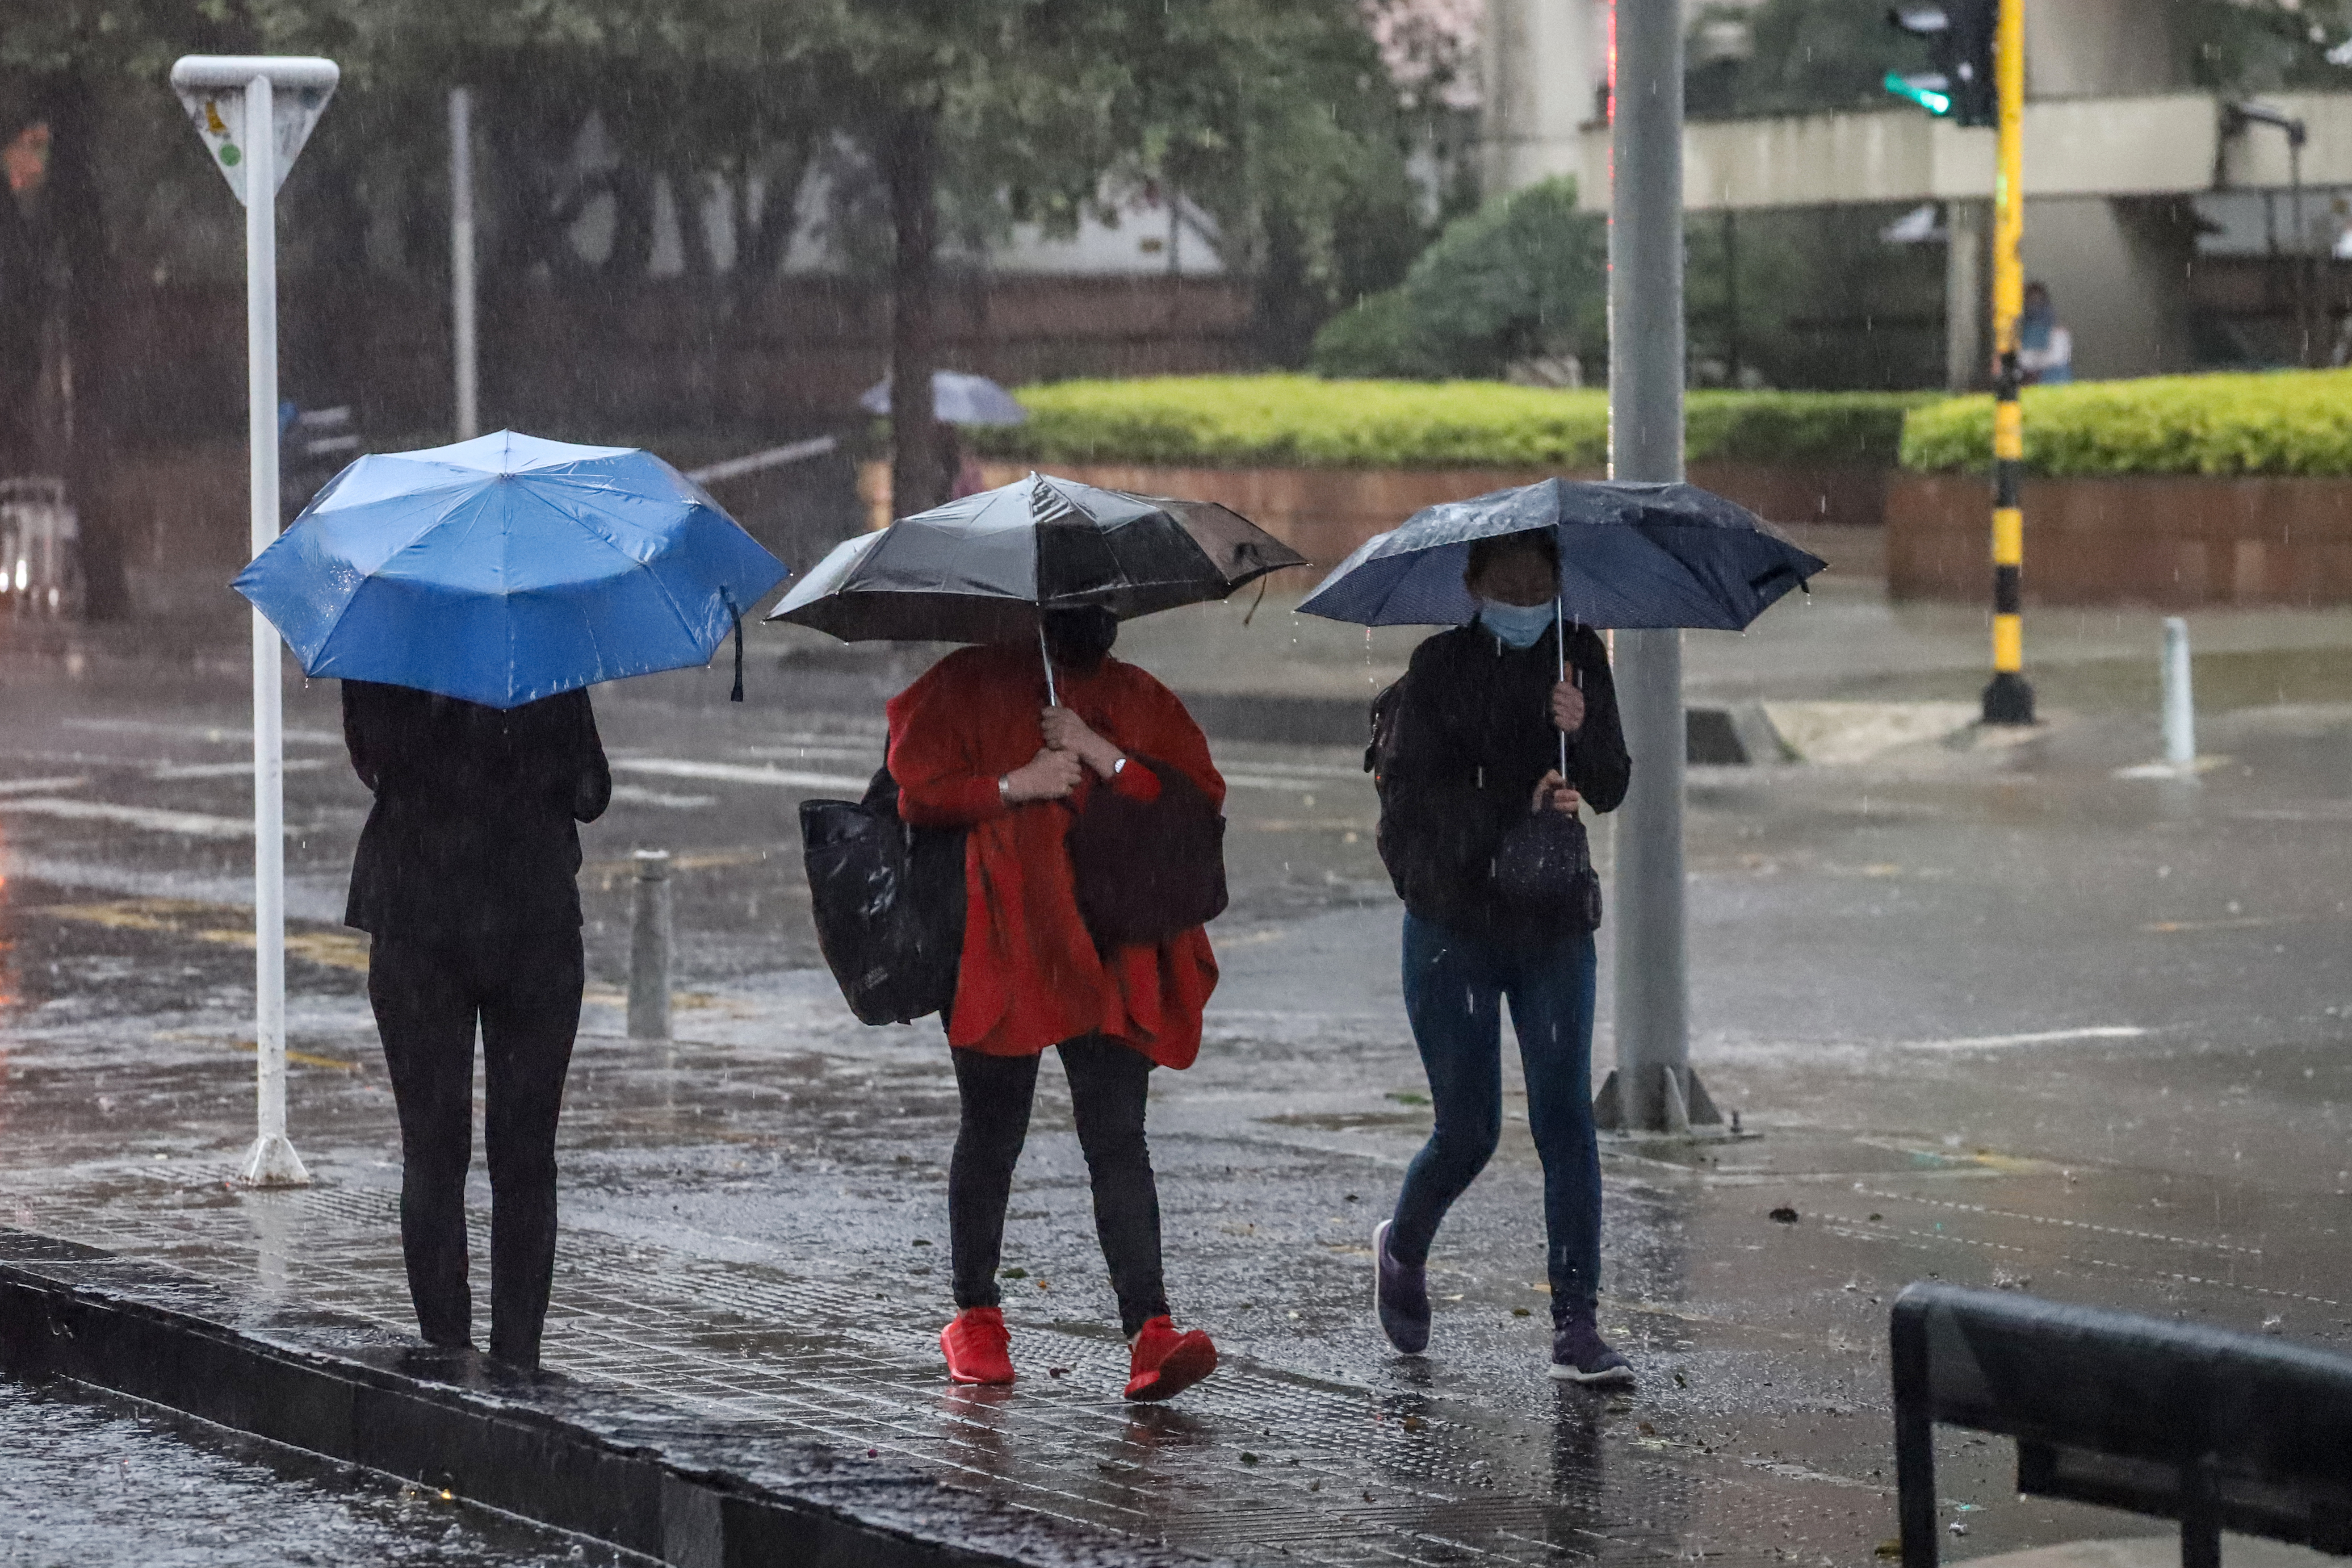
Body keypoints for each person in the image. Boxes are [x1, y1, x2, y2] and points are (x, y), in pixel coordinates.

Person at [885, 606, 1223, 1401]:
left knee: (1118, 1139)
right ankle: (975, 1314)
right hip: (1004, 939)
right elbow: (916, 794)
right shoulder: (968, 682)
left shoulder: (1140, 696)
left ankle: (1151, 1329)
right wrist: (1015, 784)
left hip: (1113, 948)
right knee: (993, 1131)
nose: (1096, 618)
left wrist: (1100, 752)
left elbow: (1189, 806)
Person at [1368, 530, 1635, 1385]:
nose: (1525, 601)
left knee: (1566, 1119)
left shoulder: (1578, 653)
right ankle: (1403, 1247)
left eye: (1540, 583)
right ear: (1474, 584)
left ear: (1561, 582)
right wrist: (1507, 807)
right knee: (1469, 1128)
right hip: (1454, 926)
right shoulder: (1438, 668)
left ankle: (1576, 1322)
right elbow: (1415, 806)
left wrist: (1580, 734)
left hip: (1552, 920)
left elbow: (1614, 781)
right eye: (1508, 584)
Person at [342, 679, 611, 1370]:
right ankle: (517, 1356)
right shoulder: (540, 636)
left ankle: (448, 1351)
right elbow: (591, 791)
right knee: (526, 1158)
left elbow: (372, 761)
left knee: (432, 1152)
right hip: (534, 920)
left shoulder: (393, 636)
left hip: (415, 915)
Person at [2016, 282, 2074, 385]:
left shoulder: (2059, 333)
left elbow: (2058, 358)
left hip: (2053, 379)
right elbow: (2020, 358)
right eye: (2030, 300)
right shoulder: (2021, 332)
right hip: (2028, 378)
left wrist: (2034, 370)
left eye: (2037, 300)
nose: (2034, 305)